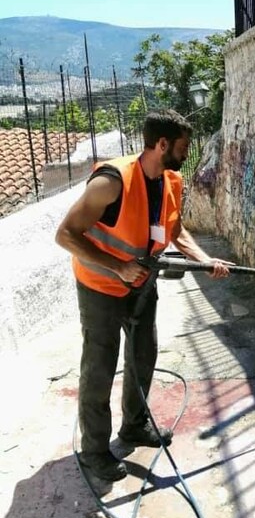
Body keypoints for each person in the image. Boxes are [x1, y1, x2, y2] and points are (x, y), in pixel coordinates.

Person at [56, 109, 232, 482]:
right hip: (100, 287)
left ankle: (134, 427)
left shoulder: (172, 181)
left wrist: (204, 260)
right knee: (100, 367)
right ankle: (94, 451)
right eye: (183, 147)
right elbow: (66, 235)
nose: (187, 153)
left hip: (141, 285)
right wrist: (117, 267)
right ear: (162, 144)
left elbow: (176, 228)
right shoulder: (112, 181)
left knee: (143, 355)